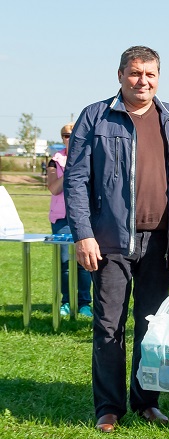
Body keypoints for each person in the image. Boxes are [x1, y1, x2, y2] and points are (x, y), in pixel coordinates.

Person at [64, 45, 169, 433]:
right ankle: (108, 406)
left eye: (150, 74)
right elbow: (75, 180)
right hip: (109, 241)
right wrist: (84, 234)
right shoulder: (96, 116)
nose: (143, 81)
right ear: (120, 75)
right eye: (136, 73)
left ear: (159, 77)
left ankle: (145, 401)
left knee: (150, 324)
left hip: (158, 242)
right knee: (109, 325)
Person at [47, 122, 92, 318]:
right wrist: (70, 171)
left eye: (74, 134)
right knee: (65, 263)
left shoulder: (90, 156)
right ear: (62, 138)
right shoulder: (54, 161)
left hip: (85, 217)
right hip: (62, 220)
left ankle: (84, 303)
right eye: (66, 135)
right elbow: (54, 188)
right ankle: (65, 302)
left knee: (85, 263)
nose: (70, 138)